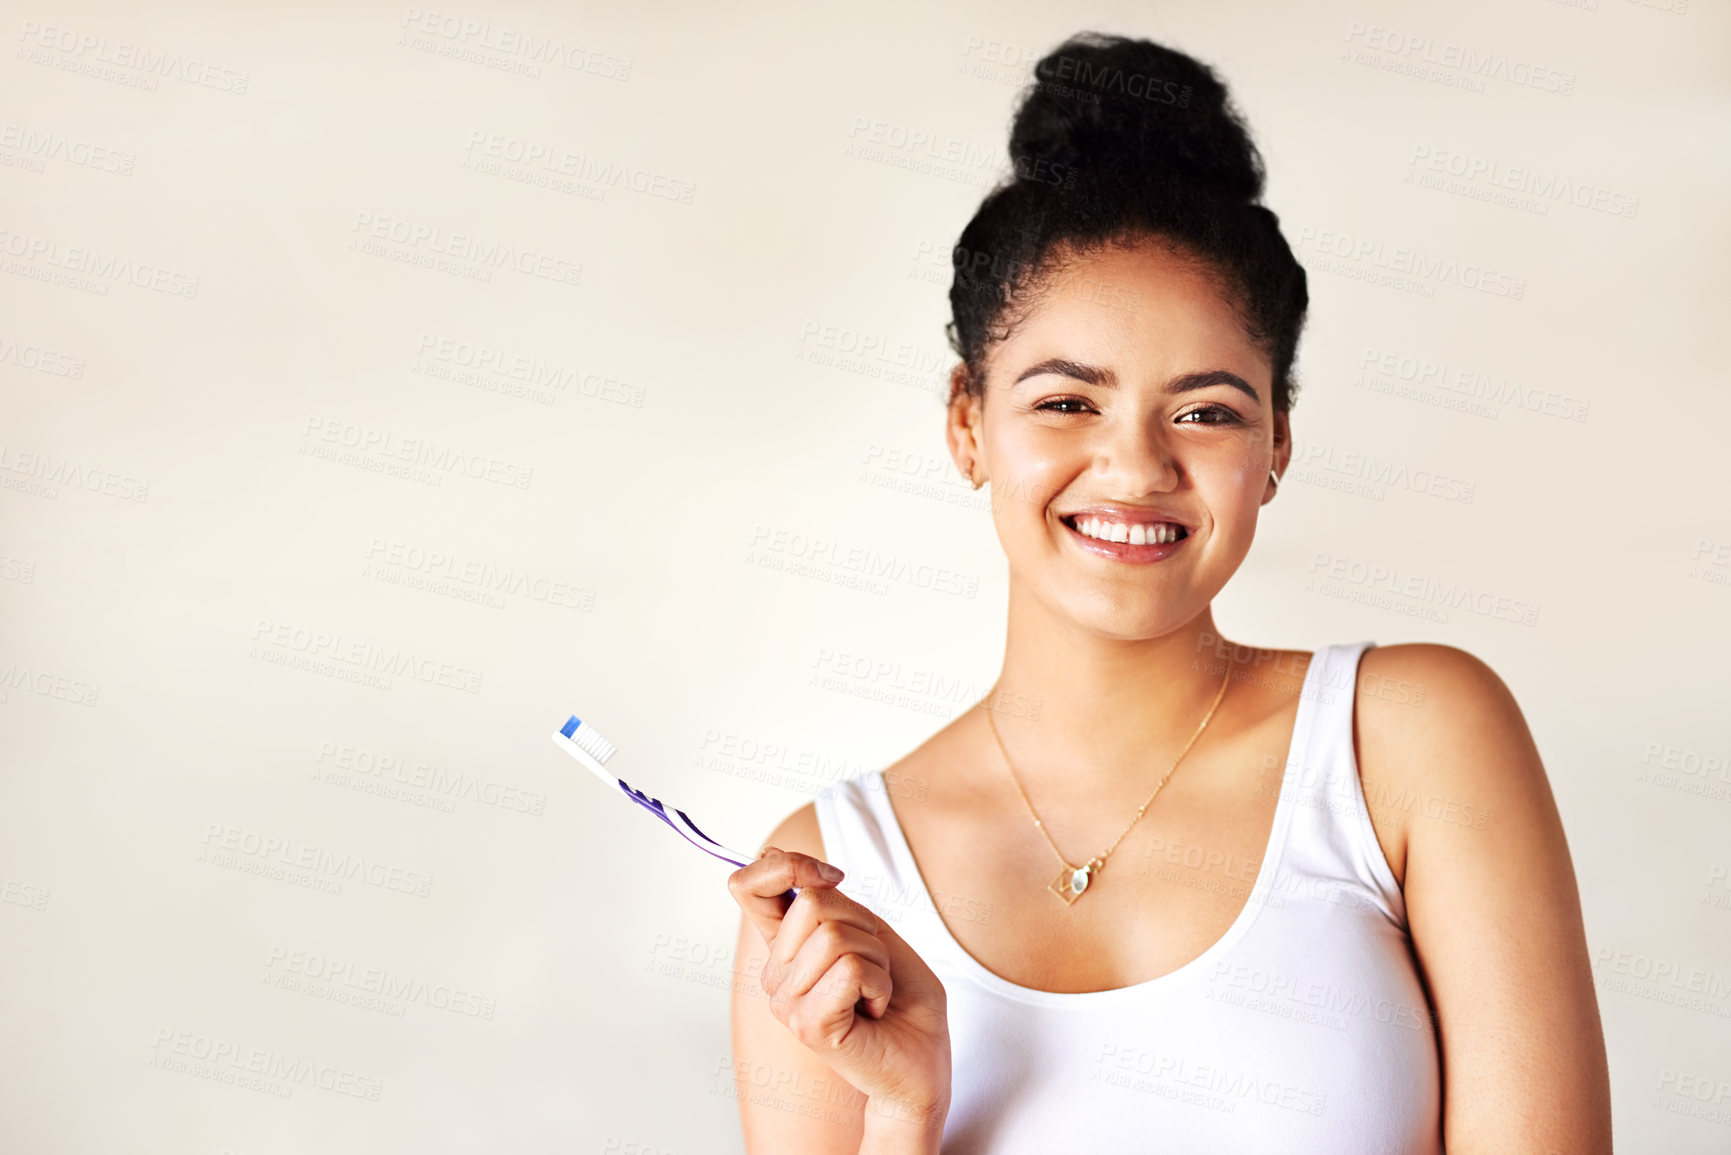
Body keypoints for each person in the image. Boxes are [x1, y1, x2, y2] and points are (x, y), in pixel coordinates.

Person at [727, 31, 1610, 1155]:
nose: (1137, 469)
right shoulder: (828, 885)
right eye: (1065, 403)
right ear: (966, 422)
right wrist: (904, 1113)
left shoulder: (1409, 741)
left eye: (1206, 411)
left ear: (1278, 443)